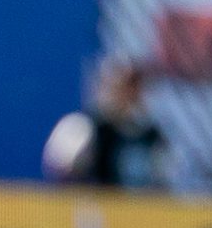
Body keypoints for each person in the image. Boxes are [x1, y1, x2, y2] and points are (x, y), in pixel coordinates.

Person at [43, 58, 170, 192]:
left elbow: (161, 182)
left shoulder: (152, 135)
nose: (129, 94)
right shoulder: (86, 128)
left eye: (135, 87)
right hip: (97, 203)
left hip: (139, 204)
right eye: (121, 86)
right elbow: (62, 171)